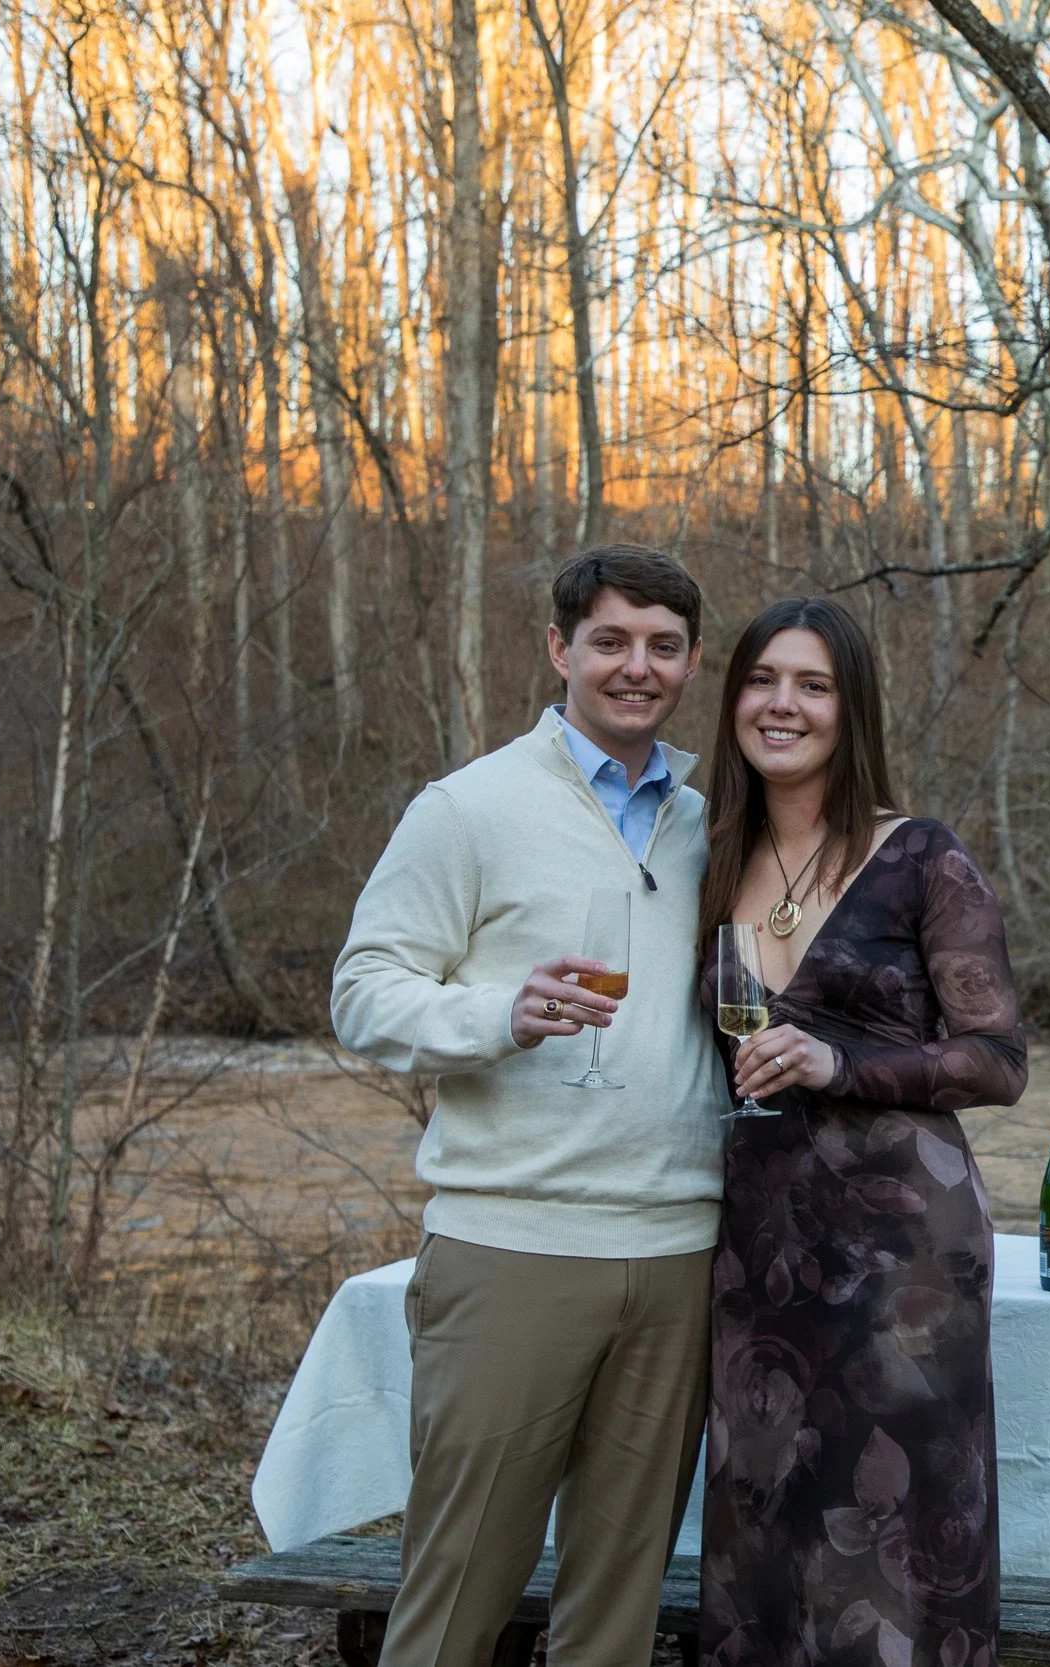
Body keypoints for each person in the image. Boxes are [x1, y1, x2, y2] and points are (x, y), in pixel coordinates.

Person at [331, 545, 728, 1667]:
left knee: (619, 1609)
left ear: (692, 662)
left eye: (662, 646)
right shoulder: (468, 809)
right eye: (610, 641)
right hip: (514, 1250)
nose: (636, 667)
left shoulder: (707, 826)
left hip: (679, 1253)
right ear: (560, 649)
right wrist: (499, 1012)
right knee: (459, 1593)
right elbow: (363, 993)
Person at [698, 596, 1026, 1667]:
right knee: (768, 1521)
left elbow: (998, 1058)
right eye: (762, 679)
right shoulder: (708, 857)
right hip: (757, 1253)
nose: (782, 703)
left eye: (813, 684)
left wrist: (842, 1063)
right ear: (733, 698)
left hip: (905, 1258)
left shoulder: (920, 855)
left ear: (852, 708)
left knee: (890, 1538)